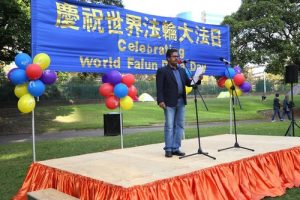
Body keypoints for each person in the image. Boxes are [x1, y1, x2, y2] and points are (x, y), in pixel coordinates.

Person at [156, 48, 202, 158]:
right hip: (168, 102)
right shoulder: (162, 71)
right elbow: (159, 88)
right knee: (170, 126)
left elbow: (188, 83)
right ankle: (168, 149)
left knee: (180, 126)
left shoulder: (181, 70)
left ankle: (176, 148)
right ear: (168, 58)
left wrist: (198, 79)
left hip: (181, 101)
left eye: (177, 56)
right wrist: (160, 100)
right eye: (174, 56)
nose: (177, 58)